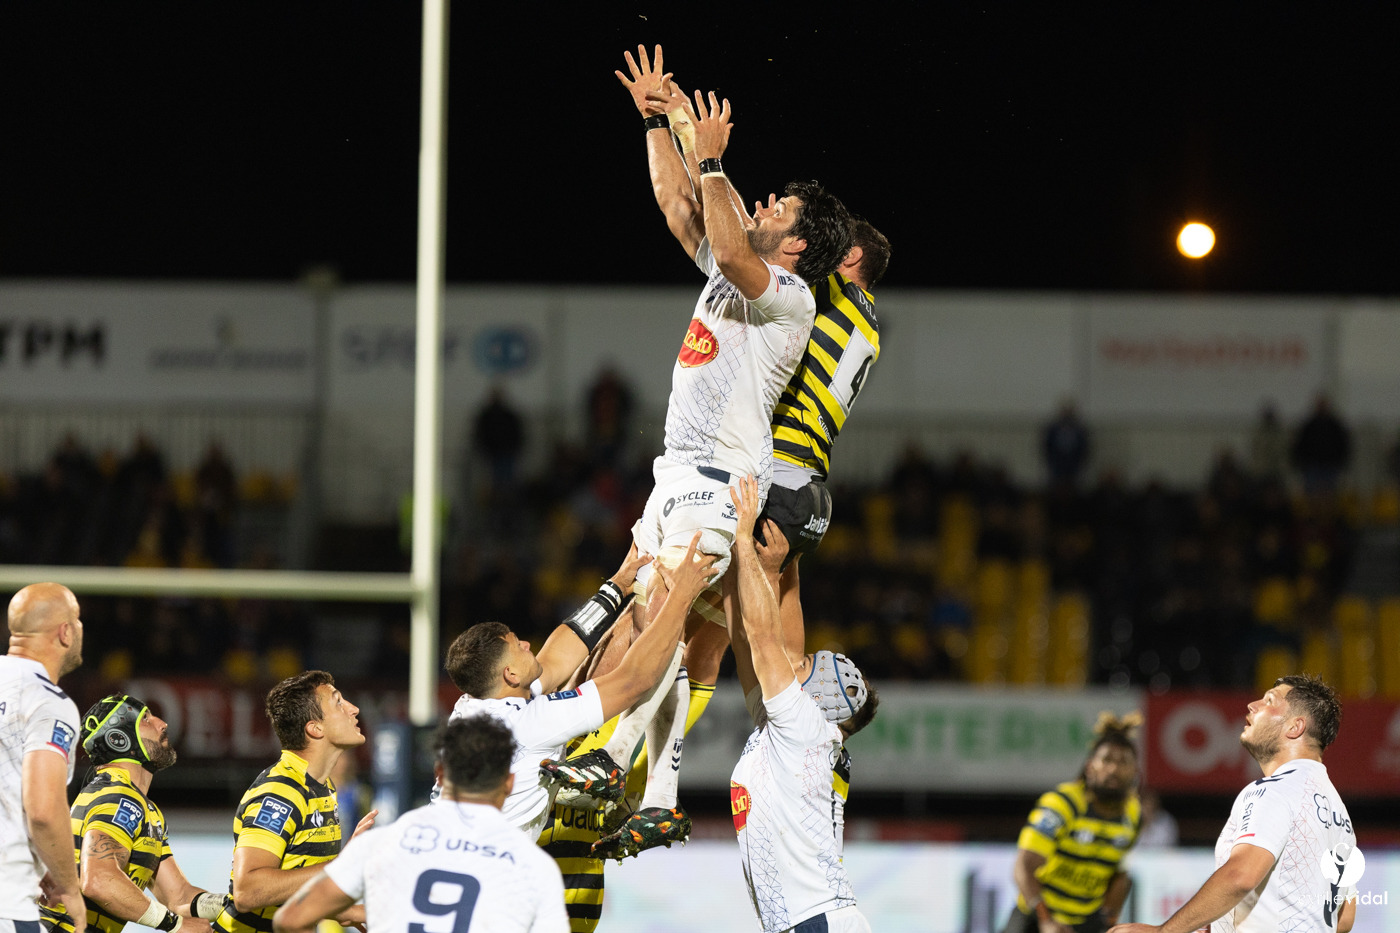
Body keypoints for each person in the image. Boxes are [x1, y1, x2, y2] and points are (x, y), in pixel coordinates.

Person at [443, 535, 718, 847]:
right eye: (517, 645)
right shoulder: (531, 723)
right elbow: (634, 680)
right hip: (490, 875)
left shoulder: (470, 706)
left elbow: (556, 657)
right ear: (510, 674)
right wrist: (681, 596)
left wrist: (616, 586)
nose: (526, 645)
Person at [727, 475, 878, 933]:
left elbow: (763, 637)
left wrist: (743, 540)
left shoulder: (804, 730)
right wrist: (788, 556)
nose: (801, 657)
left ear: (822, 699)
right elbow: (748, 640)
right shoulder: (796, 737)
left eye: (810, 663)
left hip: (816, 922)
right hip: (814, 921)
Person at [270, 715, 568, 933]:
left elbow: (291, 919)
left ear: (439, 773)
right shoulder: (534, 867)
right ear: (509, 782)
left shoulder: (382, 843)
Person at [1109, 675, 1356, 933]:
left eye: (1269, 701)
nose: (1253, 704)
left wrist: (1164, 932)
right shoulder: (1340, 814)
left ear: (1295, 727)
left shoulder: (1274, 791)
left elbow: (1241, 875)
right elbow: (1345, 917)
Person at [39, 695, 229, 933]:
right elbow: (98, 881)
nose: (162, 723)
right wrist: (175, 925)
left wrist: (237, 905)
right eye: (146, 719)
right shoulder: (119, 797)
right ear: (119, 738)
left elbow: (179, 897)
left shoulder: (139, 806)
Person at [212, 672, 376, 933]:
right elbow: (248, 891)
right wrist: (343, 864)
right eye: (338, 702)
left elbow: (297, 885)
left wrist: (348, 910)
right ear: (315, 728)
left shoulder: (323, 788)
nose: (354, 709)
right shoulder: (280, 791)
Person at [1006, 713, 1142, 933]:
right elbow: (1024, 865)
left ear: (1135, 772)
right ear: (1090, 767)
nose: (1113, 769)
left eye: (1123, 762)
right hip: (1037, 916)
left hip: (1085, 921)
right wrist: (1046, 920)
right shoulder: (1062, 805)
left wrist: (1109, 922)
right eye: (1106, 760)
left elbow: (1120, 874)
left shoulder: (1133, 815)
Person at [1, 583, 86, 933]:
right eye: (78, 620)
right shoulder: (46, 701)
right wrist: (69, 886)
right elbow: (43, 810)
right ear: (64, 632)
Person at [1290, 396, 1352, 495]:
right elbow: (1300, 445)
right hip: (1312, 465)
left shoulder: (1334, 425)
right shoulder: (1309, 425)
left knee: (1329, 494)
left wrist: (1340, 461)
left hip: (1330, 465)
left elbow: (1343, 444)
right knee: (1312, 494)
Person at [1043, 402, 1091, 489]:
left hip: (1074, 465)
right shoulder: (1053, 429)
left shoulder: (1079, 429)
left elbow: (1084, 448)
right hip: (1057, 465)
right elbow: (1047, 447)